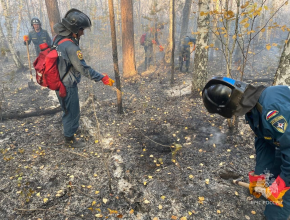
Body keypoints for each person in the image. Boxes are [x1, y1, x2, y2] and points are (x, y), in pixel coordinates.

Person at [202, 76, 290, 220]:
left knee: (284, 191)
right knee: (275, 174)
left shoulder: (270, 108)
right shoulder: (253, 108)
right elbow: (264, 141)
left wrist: (281, 184)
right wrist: (260, 176)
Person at [53, 8, 115, 148]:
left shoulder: (59, 39)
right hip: (67, 84)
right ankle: (69, 140)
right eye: (82, 29)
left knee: (67, 109)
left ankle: (69, 132)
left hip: (58, 82)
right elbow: (82, 68)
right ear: (75, 29)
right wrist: (102, 78)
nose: (83, 32)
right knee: (73, 111)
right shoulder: (71, 46)